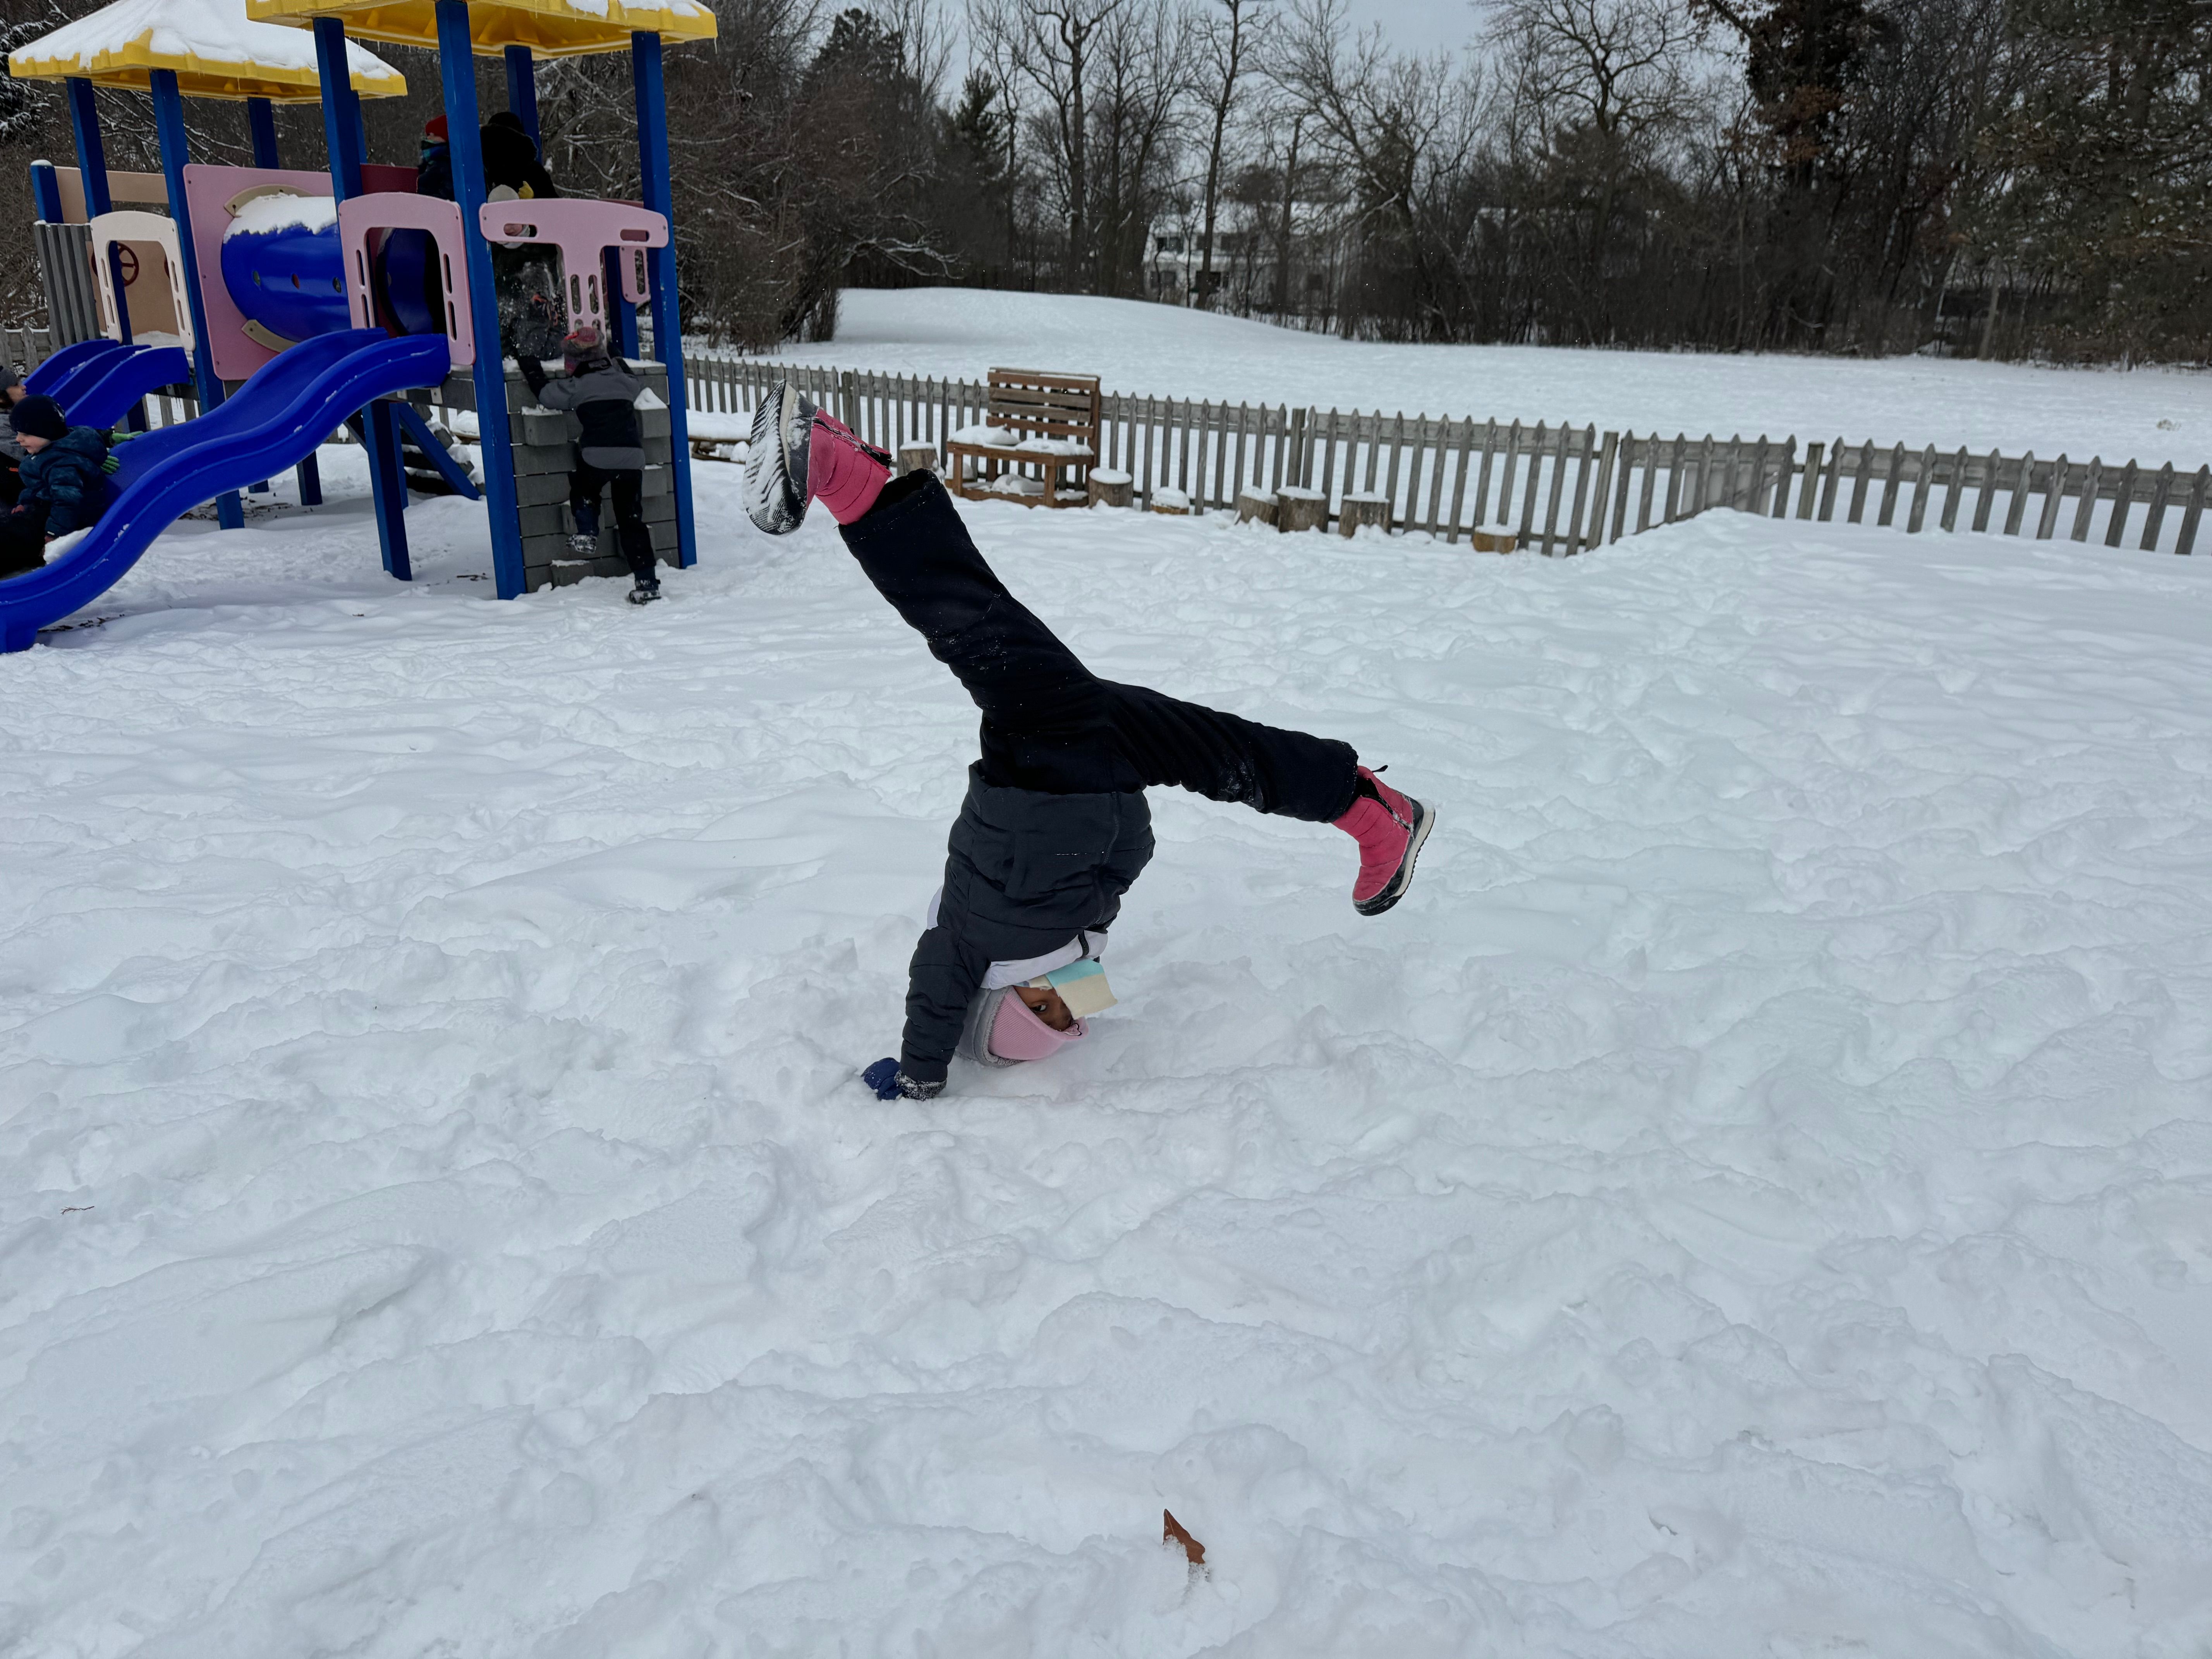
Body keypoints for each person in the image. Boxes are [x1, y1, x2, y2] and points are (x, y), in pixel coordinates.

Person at [743, 383, 1437, 1101]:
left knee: (1002, 641)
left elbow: (948, 987)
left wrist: (925, 1070)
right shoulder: (1038, 946)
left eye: (1048, 1010)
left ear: (1000, 998)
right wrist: (940, 1061)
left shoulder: (981, 948)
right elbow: (1104, 893)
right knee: (1000, 641)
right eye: (1070, 1011)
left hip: (1050, 766)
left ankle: (1372, 811)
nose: (1069, 1002)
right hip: (1072, 768)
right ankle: (841, 472)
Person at [516, 325, 662, 605]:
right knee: (632, 520)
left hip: (597, 456)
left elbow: (546, 396)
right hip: (632, 459)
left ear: (574, 364)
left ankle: (587, 532)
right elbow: (632, 378)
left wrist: (530, 366)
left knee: (584, 488)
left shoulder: (578, 385)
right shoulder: (623, 382)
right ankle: (646, 581)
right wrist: (616, 355)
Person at [0, 393, 114, 580]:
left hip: (64, 522)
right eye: (18, 433)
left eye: (25, 434)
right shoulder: (47, 451)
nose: (19, 439)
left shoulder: (62, 464)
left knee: (12, 542)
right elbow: (36, 486)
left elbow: (68, 502)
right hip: (44, 512)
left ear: (47, 432)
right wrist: (24, 502)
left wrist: (55, 536)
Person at [0, 366, 29, 506]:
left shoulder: (14, 417)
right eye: (16, 386)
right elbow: (36, 455)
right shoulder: (3, 429)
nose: (23, 387)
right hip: (15, 507)